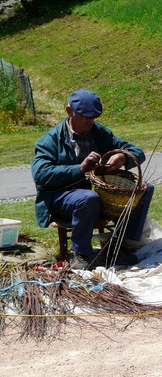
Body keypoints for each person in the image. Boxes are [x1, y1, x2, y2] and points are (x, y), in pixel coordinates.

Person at [31, 89, 155, 269]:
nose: (90, 122)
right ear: (69, 111)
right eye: (85, 117)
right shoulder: (50, 140)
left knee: (145, 189)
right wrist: (80, 169)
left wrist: (123, 156)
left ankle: (120, 246)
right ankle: (79, 253)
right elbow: (41, 174)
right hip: (61, 197)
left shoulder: (99, 132)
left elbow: (137, 152)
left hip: (96, 194)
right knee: (88, 198)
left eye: (93, 118)